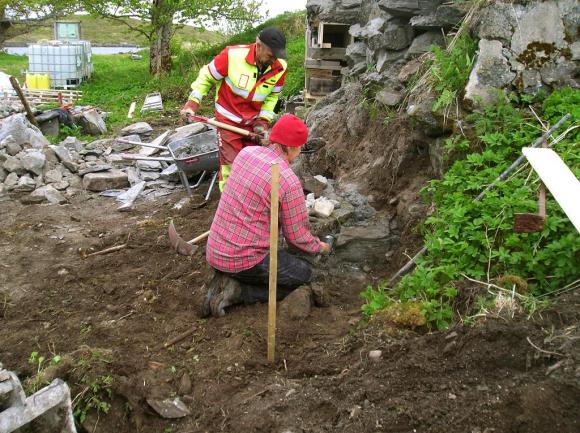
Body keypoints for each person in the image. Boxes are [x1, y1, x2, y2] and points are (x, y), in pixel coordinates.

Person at [201, 114, 332, 317]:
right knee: (304, 275)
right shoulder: (287, 180)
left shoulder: (247, 153)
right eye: (299, 147)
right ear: (292, 148)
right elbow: (297, 238)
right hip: (243, 259)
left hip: (215, 250)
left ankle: (231, 279)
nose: (299, 152)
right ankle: (239, 292)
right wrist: (319, 247)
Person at [180, 27, 288, 191]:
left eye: (276, 57)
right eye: (270, 56)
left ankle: (250, 200)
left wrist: (263, 121)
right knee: (232, 166)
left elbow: (272, 97)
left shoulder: (280, 68)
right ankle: (230, 207)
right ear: (258, 45)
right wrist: (193, 103)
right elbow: (206, 77)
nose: (274, 61)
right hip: (228, 121)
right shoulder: (232, 56)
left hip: (253, 124)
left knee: (254, 165)